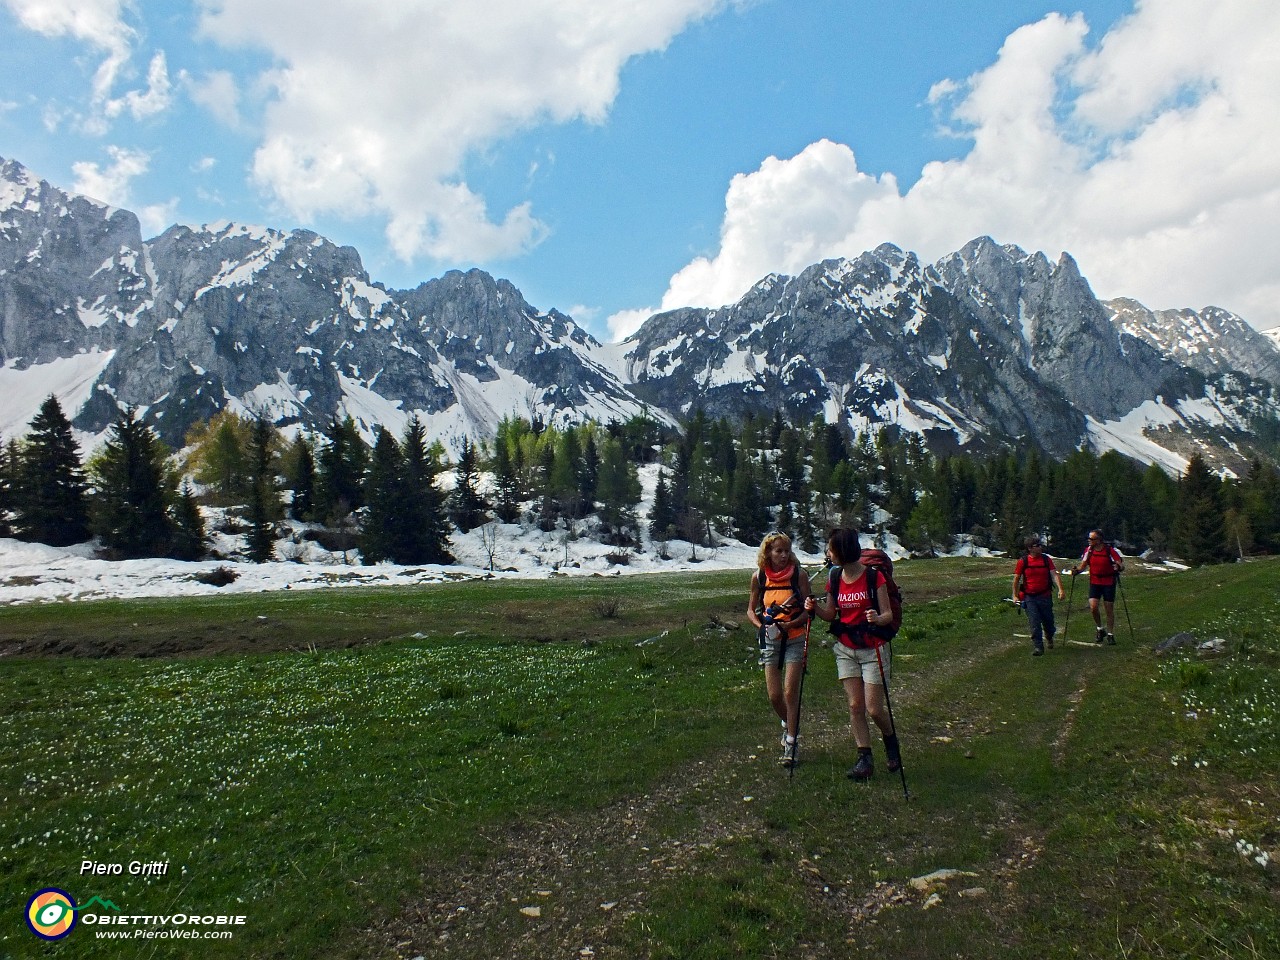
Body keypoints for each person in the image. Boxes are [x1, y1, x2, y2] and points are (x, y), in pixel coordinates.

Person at [805, 528, 900, 780]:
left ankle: (890, 740)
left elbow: (888, 615)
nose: (828, 553)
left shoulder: (873, 577)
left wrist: (877, 618)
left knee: (874, 709)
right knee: (855, 705)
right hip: (846, 648)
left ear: (842, 550)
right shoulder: (834, 578)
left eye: (830, 548)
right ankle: (864, 759)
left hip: (873, 647)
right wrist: (814, 607)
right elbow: (830, 614)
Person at [747, 532, 813, 767]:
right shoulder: (759, 577)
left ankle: (791, 743)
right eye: (778, 551)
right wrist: (762, 626)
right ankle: (789, 723)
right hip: (770, 640)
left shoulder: (800, 576)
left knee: (789, 692)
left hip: (795, 638)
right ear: (768, 552)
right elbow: (750, 610)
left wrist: (791, 624)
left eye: (786, 551)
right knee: (774, 696)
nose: (783, 555)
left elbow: (808, 610)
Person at [1012, 536, 1065, 656]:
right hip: (1030, 597)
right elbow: (1016, 579)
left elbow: (1054, 575)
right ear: (1030, 548)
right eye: (1037, 546)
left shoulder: (1046, 560)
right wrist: (1015, 596)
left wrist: (1061, 589)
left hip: (1045, 595)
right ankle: (1038, 647)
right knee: (1034, 622)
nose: (1040, 547)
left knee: (1048, 621)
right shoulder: (1023, 561)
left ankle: (1049, 636)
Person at [1071, 529, 1125, 645]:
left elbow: (1119, 563)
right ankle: (1100, 629)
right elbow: (1083, 565)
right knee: (1093, 607)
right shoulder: (1089, 551)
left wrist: (1118, 567)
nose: (1089, 541)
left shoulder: (1109, 550)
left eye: (1092, 539)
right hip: (1095, 581)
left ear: (1099, 540)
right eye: (1089, 538)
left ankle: (1110, 634)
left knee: (1108, 608)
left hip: (1108, 581)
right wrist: (1077, 571)